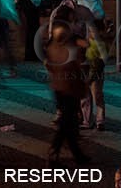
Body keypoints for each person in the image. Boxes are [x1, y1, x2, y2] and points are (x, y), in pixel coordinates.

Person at [44, 24, 87, 162]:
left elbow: (48, 66)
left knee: (70, 123)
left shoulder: (52, 48)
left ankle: (77, 154)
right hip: (69, 91)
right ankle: (53, 153)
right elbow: (78, 70)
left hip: (58, 89)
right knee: (66, 124)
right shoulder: (70, 51)